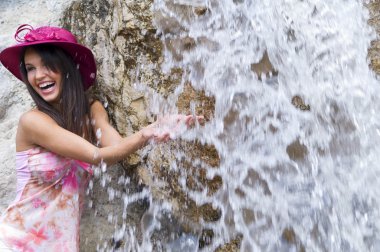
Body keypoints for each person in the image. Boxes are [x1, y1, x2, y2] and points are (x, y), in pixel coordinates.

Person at [0, 24, 200, 251]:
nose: (39, 75)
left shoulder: (92, 110)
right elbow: (97, 156)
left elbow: (117, 147)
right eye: (30, 68)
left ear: (67, 66)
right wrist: (148, 132)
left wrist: (160, 126)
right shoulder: (32, 122)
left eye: (47, 64)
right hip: (13, 243)